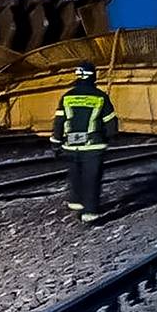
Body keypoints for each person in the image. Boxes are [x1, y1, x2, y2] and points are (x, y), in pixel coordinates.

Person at [50, 61, 118, 224]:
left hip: (71, 145)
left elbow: (59, 121)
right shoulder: (100, 97)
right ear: (94, 76)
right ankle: (90, 212)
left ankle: (76, 202)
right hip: (93, 145)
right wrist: (108, 137)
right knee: (91, 177)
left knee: (75, 174)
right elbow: (111, 124)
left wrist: (56, 142)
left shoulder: (67, 97)